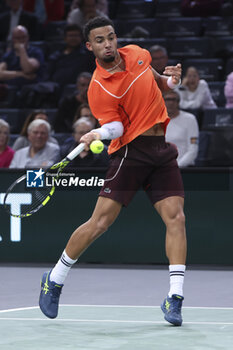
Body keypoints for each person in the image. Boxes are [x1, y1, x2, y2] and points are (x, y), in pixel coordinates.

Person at [39, 17, 186, 327]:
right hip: (130, 153)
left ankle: (175, 297)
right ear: (90, 46)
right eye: (100, 40)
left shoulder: (138, 53)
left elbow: (156, 79)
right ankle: (55, 277)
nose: (108, 44)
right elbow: (117, 126)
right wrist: (98, 134)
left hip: (161, 151)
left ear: (116, 37)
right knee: (100, 223)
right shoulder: (98, 88)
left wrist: (171, 81)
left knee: (176, 218)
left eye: (111, 37)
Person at [164, 90, 199, 167]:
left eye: (173, 100)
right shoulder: (156, 121)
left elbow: (193, 150)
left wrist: (177, 166)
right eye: (167, 100)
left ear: (178, 102)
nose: (171, 103)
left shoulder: (190, 119)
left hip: (183, 168)